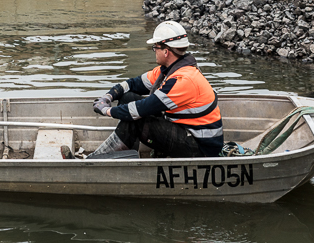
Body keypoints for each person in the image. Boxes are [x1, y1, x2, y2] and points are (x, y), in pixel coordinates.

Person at [87, 21, 223, 159]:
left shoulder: (183, 80)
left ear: (166, 51)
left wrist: (106, 110)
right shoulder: (168, 71)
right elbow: (133, 84)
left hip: (201, 148)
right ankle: (124, 156)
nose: (154, 51)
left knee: (137, 120)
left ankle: (94, 160)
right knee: (128, 98)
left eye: (155, 47)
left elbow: (141, 109)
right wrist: (109, 96)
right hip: (185, 130)